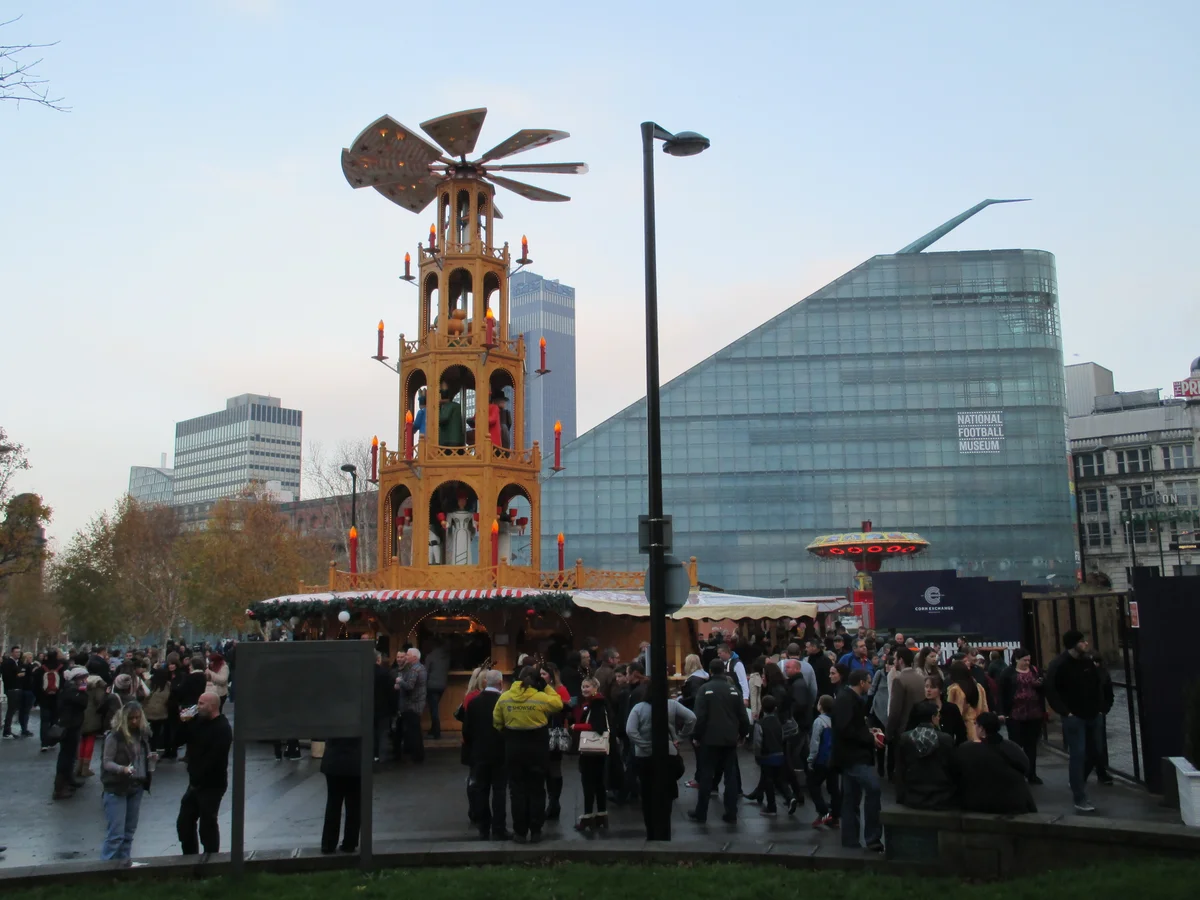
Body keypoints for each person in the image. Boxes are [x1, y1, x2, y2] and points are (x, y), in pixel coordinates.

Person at [492, 665, 563, 843]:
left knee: (517, 791)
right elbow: (558, 704)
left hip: (514, 748)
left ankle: (520, 832)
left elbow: (497, 722)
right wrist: (546, 686)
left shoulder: (505, 697)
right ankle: (536, 830)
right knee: (537, 790)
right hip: (537, 749)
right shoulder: (540, 697)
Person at [1044, 630, 1104, 812]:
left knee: (1095, 752)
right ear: (1073, 644)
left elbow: (1096, 685)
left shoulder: (1086, 662)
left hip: (1092, 714)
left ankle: (1077, 781)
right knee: (1078, 754)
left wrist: (1099, 708)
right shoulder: (1059, 664)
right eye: (1082, 641)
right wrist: (1065, 711)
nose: (1086, 644)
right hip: (1074, 717)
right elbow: (1051, 689)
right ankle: (1079, 797)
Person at [688, 660, 751, 824]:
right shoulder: (734, 690)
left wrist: (696, 735)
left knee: (706, 775)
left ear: (710, 671)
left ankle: (701, 812)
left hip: (709, 738)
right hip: (729, 738)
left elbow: (700, 716)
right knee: (730, 777)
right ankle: (731, 812)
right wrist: (743, 734)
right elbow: (743, 716)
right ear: (724, 670)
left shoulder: (704, 689)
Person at [626, 687, 696, 835]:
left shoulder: (638, 708)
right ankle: (665, 827)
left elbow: (630, 730)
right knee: (667, 791)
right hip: (668, 752)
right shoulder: (671, 704)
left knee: (647, 792)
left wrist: (643, 744)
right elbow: (691, 718)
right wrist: (680, 738)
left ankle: (650, 828)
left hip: (644, 756)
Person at [176, 692, 232, 857]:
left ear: (212, 706)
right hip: (194, 783)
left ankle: (211, 857)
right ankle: (190, 856)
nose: (197, 707)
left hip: (212, 784)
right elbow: (177, 741)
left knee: (207, 823)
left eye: (201, 704)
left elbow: (216, 757)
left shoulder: (222, 728)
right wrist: (183, 723)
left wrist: (199, 773)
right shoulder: (197, 722)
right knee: (184, 822)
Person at [832, 669, 883, 852]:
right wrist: (869, 738)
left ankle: (850, 840)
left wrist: (869, 733)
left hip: (848, 756)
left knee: (851, 798)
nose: (869, 685)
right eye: (868, 682)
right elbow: (845, 729)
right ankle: (872, 837)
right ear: (862, 682)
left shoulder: (846, 698)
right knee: (873, 789)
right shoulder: (847, 700)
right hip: (854, 756)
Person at [100, 701, 154, 861]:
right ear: (124, 719)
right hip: (116, 787)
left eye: (137, 718)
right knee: (116, 835)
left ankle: (124, 867)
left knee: (129, 833)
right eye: (131, 718)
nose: (135, 721)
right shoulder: (114, 736)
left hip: (136, 785)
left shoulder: (143, 734)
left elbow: (144, 754)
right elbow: (107, 762)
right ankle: (105, 871)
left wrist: (151, 759)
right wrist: (122, 769)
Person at [954, 712, 1037, 814]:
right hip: (1012, 803)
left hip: (977, 803)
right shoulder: (1011, 747)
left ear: (981, 728)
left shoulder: (966, 749)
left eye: (976, 724)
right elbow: (1025, 767)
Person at [465, 669, 510, 839]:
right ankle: (499, 828)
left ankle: (483, 827)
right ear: (500, 683)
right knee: (499, 791)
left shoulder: (474, 702)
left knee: (481, 790)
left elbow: (466, 730)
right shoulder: (503, 702)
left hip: (479, 753)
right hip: (500, 752)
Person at [895, 700, 957, 810]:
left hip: (913, 796)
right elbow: (952, 770)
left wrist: (901, 797)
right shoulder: (946, 739)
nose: (939, 718)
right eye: (938, 715)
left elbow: (900, 770)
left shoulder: (905, 738)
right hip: (941, 797)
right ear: (933, 718)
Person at [997, 648, 1045, 784]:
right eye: (1024, 660)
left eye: (1029, 660)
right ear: (1017, 659)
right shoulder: (1007, 673)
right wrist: (1001, 712)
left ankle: (1032, 773)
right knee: (1016, 745)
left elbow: (1043, 688)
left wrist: (1040, 685)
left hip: (1034, 713)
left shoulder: (1035, 671)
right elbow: (1001, 694)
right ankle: (1017, 773)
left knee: (1031, 745)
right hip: (1015, 714)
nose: (1027, 663)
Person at [570, 676, 611, 830]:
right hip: (599, 752)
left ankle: (588, 816)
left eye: (587, 686)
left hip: (590, 752)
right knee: (599, 783)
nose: (584, 689)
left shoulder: (596, 705)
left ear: (595, 688)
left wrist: (576, 726)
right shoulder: (599, 703)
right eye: (583, 686)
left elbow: (597, 726)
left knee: (588, 783)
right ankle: (601, 814)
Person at [751, 695, 796, 816]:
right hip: (779, 754)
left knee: (768, 780)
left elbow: (757, 742)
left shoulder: (760, 723)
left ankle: (771, 807)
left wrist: (757, 756)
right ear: (775, 708)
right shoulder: (778, 722)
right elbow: (781, 737)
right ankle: (790, 797)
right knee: (780, 779)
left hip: (766, 756)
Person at [319, 737, 362, 854]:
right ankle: (350, 842)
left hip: (334, 759)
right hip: (356, 759)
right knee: (354, 804)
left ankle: (328, 843)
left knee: (333, 802)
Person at [53, 667, 90, 800]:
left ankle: (68, 780)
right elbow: (83, 702)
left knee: (69, 755)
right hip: (69, 727)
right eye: (83, 678)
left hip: (72, 725)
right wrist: (83, 691)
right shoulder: (72, 691)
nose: (85, 681)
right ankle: (59, 788)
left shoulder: (69, 689)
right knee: (66, 757)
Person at [541, 661, 571, 821]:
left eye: (544, 674)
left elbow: (566, 709)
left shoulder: (560, 690)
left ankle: (554, 802)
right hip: (542, 733)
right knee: (546, 770)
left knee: (554, 768)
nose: (541, 677)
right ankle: (551, 802)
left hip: (555, 732)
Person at [807, 694, 841, 829]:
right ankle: (836, 817)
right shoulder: (836, 721)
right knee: (833, 788)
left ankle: (823, 812)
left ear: (820, 706)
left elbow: (815, 742)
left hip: (822, 759)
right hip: (834, 759)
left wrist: (811, 759)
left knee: (813, 785)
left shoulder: (819, 721)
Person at [887, 647, 927, 748]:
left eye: (895, 659)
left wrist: (888, 733)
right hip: (922, 729)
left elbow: (895, 711)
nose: (894, 661)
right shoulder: (922, 678)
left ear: (900, 660)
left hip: (904, 730)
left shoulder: (899, 680)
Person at [395, 648, 427, 763]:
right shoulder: (422, 668)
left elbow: (410, 686)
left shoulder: (414, 670)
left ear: (414, 657)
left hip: (412, 704)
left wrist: (400, 681)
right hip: (419, 702)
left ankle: (416, 756)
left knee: (413, 732)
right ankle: (417, 754)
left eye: (408, 655)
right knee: (415, 730)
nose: (406, 657)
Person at [946, 660, 988, 742]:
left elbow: (954, 713)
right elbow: (984, 708)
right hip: (980, 728)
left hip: (964, 729)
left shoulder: (955, 690)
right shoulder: (979, 687)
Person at [37, 650, 64, 751]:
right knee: (54, 720)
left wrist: (38, 697)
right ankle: (52, 740)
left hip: (44, 698)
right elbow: (64, 683)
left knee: (44, 721)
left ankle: (44, 743)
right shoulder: (61, 668)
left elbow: (35, 684)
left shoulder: (41, 669)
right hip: (57, 698)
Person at [424, 640, 451, 740]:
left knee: (433, 709)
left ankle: (436, 731)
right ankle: (433, 729)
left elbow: (425, 671)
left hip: (431, 685)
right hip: (442, 685)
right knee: (434, 708)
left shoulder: (430, 657)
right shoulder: (447, 657)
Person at [2, 645, 21, 738]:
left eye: (19, 652)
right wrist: (17, 676)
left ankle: (8, 730)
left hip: (13, 688)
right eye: (16, 652)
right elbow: (7, 676)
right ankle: (6, 731)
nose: (18, 654)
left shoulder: (15, 662)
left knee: (12, 710)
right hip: (11, 689)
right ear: (12, 653)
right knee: (11, 710)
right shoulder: (9, 663)